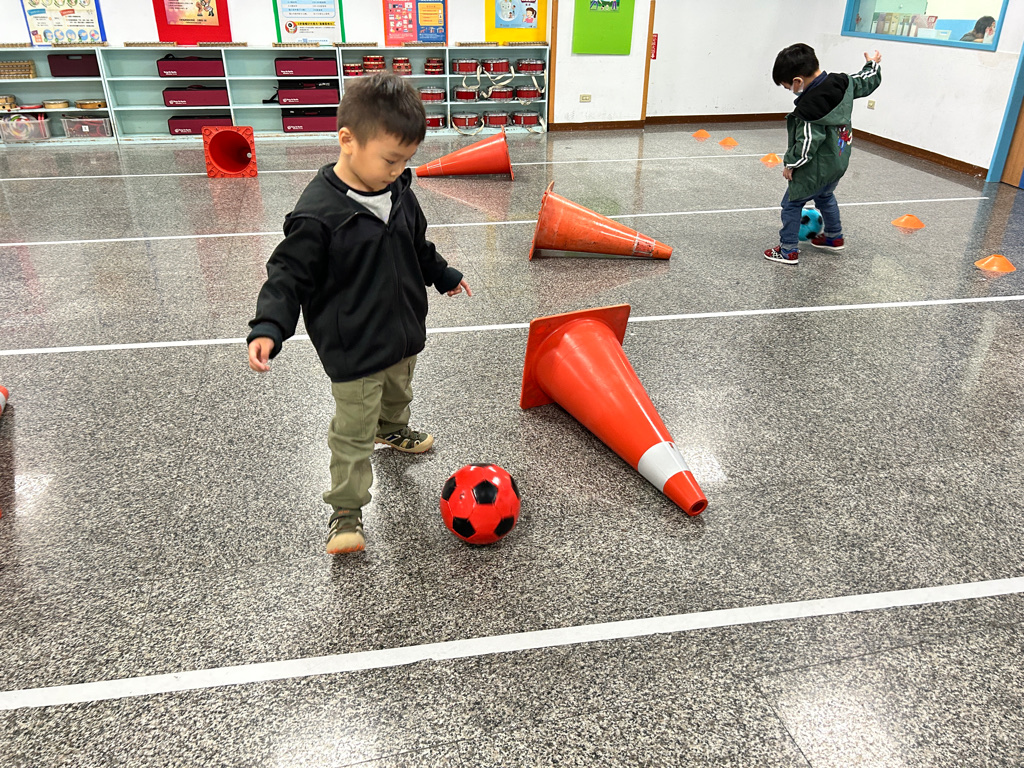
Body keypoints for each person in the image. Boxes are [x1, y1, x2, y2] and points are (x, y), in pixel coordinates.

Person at [247, 73, 471, 555]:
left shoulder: (399, 191)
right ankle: (346, 513)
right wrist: (269, 326)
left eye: (407, 160)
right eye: (390, 159)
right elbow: (286, 275)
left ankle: (392, 428)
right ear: (347, 140)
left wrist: (442, 273)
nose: (399, 169)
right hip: (353, 348)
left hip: (402, 332)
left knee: (399, 390)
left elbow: (416, 244)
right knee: (352, 434)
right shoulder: (318, 213)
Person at [764, 44, 882, 265]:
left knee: (791, 204)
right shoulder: (843, 82)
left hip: (814, 169)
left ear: (798, 81)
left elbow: (807, 143)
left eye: (788, 87)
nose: (791, 91)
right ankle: (834, 237)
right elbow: (866, 79)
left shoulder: (809, 108)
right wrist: (872, 63)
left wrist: (791, 164)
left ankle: (788, 250)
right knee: (825, 196)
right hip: (838, 161)